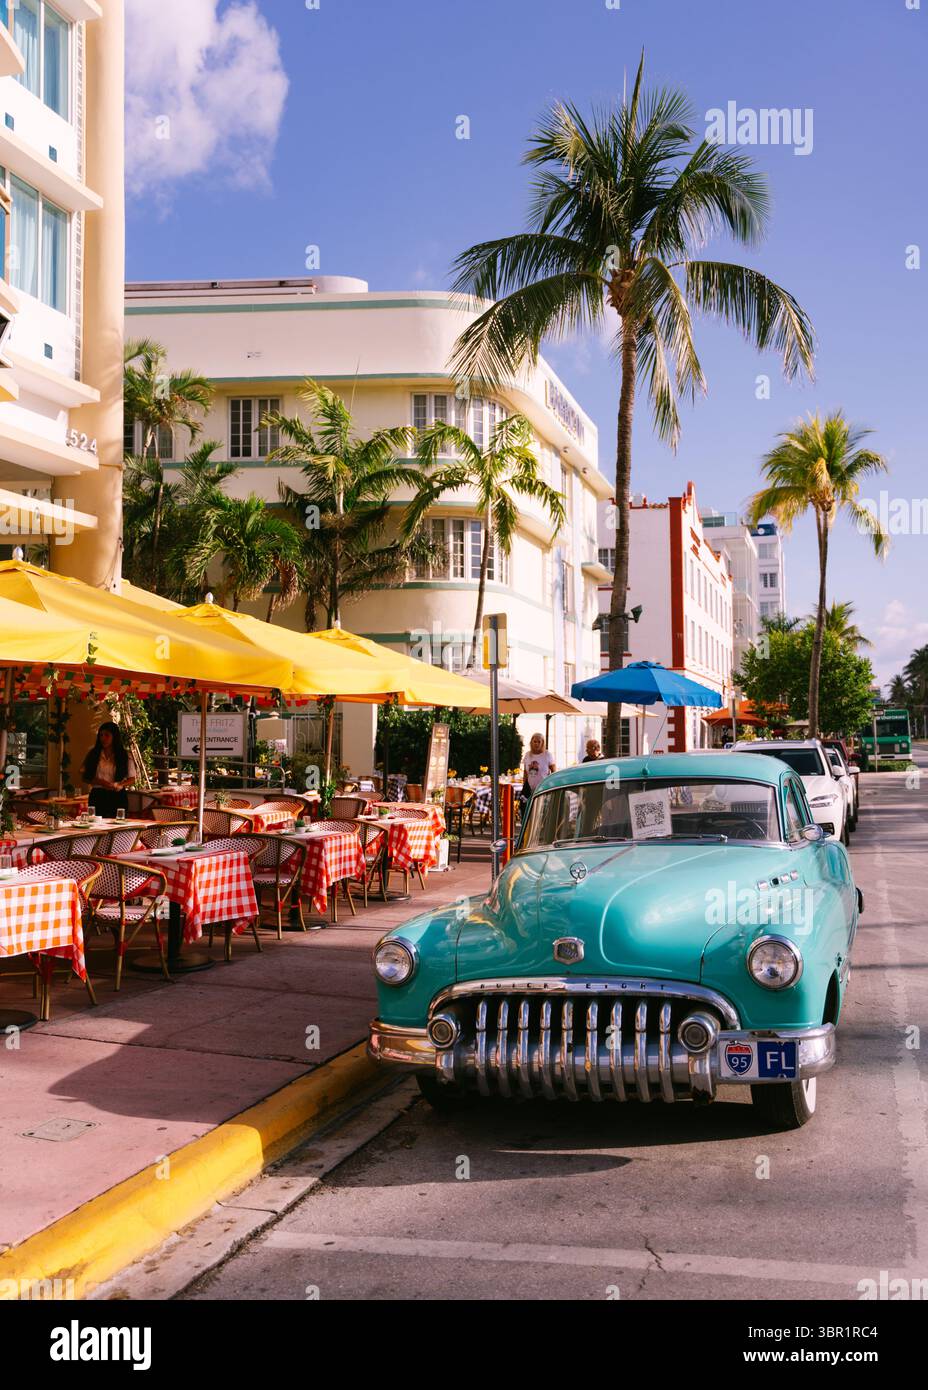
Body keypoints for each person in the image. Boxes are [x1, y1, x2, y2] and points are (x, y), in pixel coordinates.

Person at [81, 721, 136, 819]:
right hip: (98, 795)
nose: (103, 738)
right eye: (101, 735)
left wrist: (120, 784)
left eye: (107, 735)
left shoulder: (124, 755)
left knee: (117, 826)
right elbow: (86, 777)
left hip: (117, 796)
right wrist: (101, 782)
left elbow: (132, 778)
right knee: (96, 825)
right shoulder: (94, 754)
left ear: (114, 737)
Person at [521, 733, 555, 803]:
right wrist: (524, 785)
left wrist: (551, 785)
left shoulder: (547, 755)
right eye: (535, 741)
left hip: (544, 789)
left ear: (542, 743)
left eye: (539, 742)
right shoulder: (527, 755)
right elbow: (525, 772)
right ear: (531, 742)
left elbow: (554, 772)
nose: (536, 744)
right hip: (530, 790)